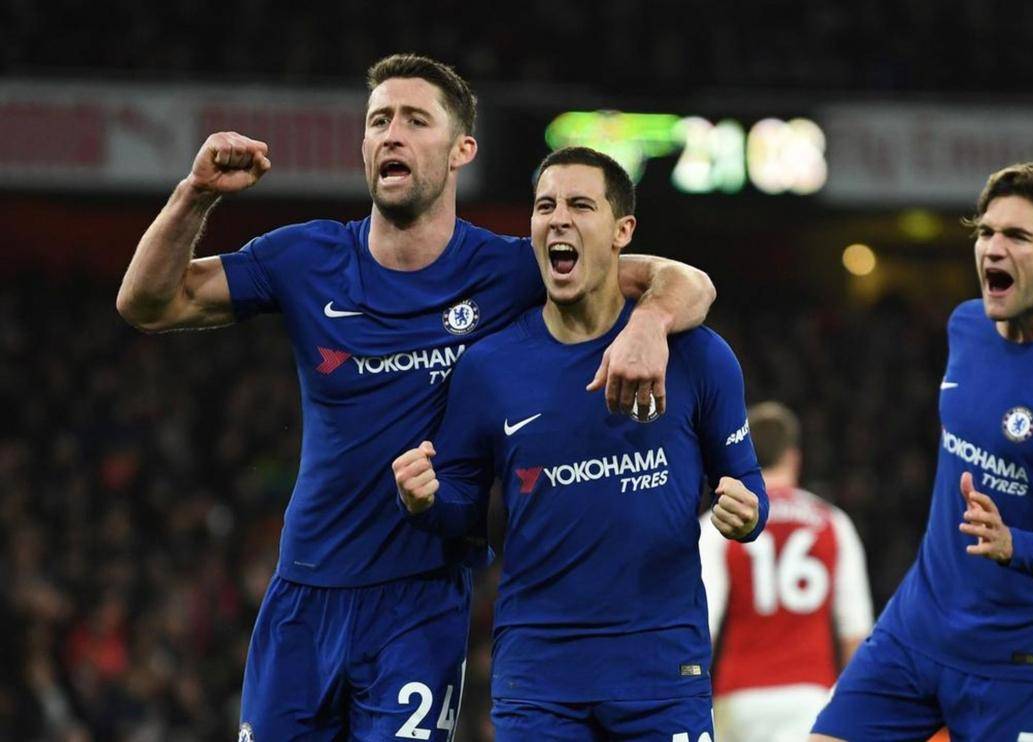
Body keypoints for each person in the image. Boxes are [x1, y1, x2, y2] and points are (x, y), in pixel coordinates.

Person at [115, 54, 716, 741]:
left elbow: (686, 280)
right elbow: (148, 303)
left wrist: (648, 325)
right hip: (303, 596)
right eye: (379, 121)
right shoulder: (305, 258)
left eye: (415, 120)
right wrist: (196, 194)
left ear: (462, 150)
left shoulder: (510, 269)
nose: (392, 134)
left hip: (421, 602)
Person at [393, 146, 768, 741]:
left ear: (623, 232)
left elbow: (746, 484)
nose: (558, 219)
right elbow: (463, 512)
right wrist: (425, 500)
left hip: (662, 670)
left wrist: (747, 515)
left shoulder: (699, 356)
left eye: (580, 205)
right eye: (545, 206)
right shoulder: (490, 366)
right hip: (539, 675)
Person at [811, 162, 1033, 741]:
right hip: (915, 629)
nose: (992, 248)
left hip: (1015, 664)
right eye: (986, 232)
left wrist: (1013, 544)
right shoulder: (965, 327)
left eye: (1016, 236)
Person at [698, 401, 872, 742]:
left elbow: (703, 627)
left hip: (739, 700)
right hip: (813, 700)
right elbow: (856, 634)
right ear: (794, 457)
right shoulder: (833, 523)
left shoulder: (719, 527)